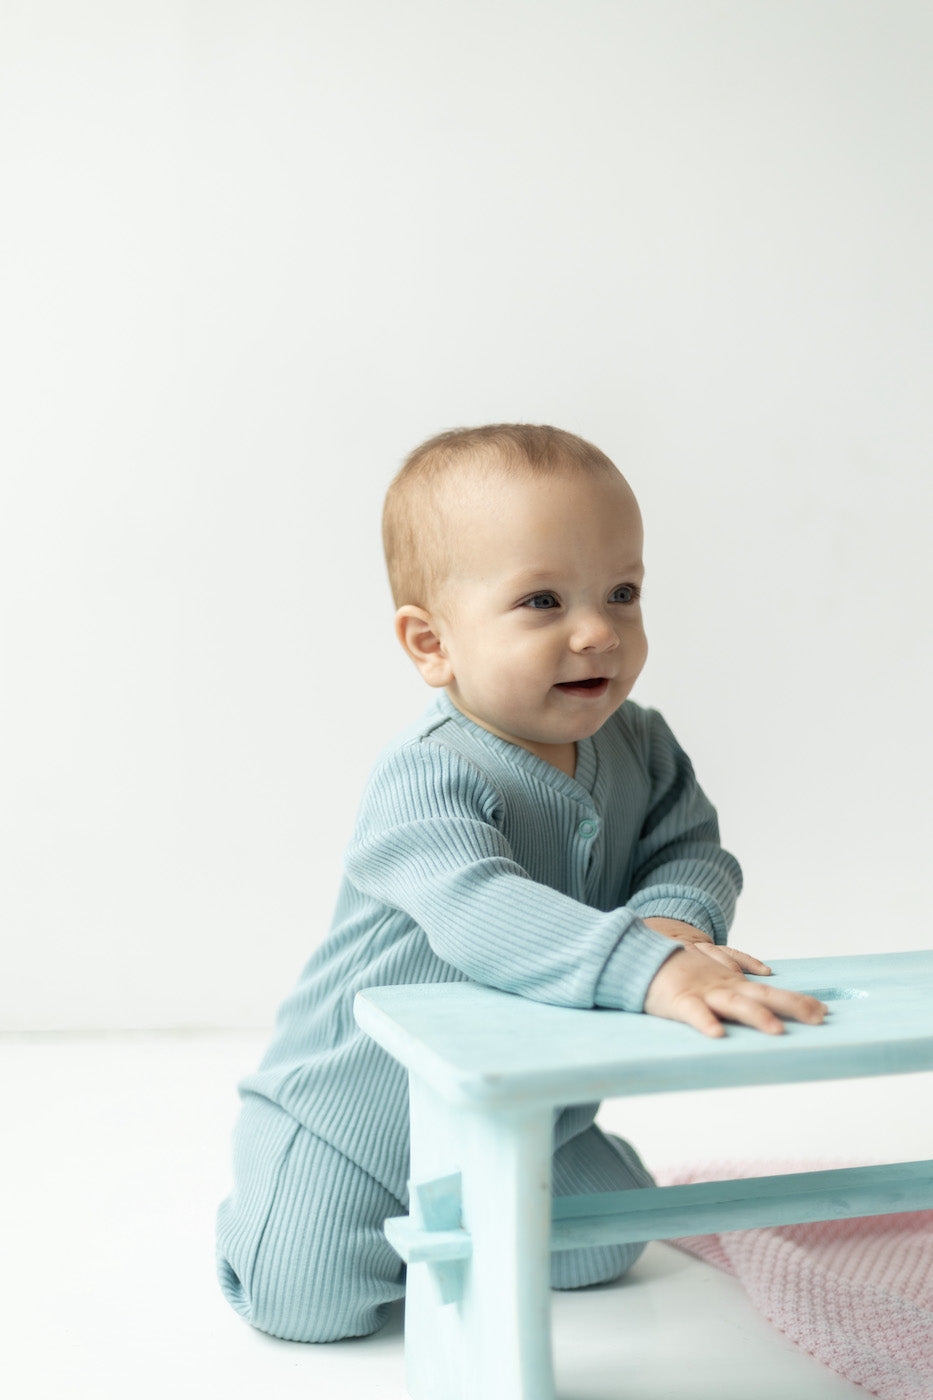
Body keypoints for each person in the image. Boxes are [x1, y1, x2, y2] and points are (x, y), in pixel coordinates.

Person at [215, 423, 826, 1344]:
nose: (597, 631)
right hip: (355, 1112)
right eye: (542, 601)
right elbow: (479, 909)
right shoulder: (428, 775)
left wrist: (674, 924)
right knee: (307, 1307)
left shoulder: (641, 745)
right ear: (431, 644)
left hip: (527, 1100)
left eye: (622, 593)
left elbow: (691, 848)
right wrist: (641, 971)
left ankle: (548, 1162)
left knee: (603, 1252)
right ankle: (271, 1199)